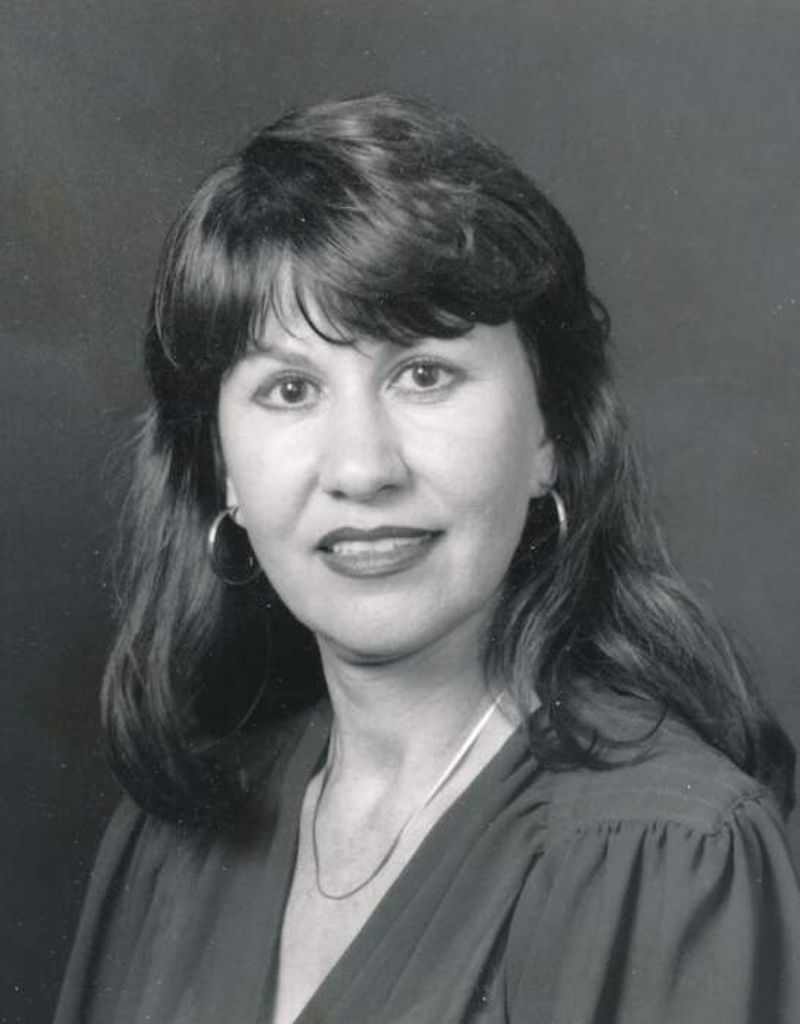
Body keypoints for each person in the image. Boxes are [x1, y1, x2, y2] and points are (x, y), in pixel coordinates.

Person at [54, 94, 800, 1024]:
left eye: (423, 374)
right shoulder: (173, 842)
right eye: (290, 389)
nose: (362, 468)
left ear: (548, 434)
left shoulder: (670, 854)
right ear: (223, 469)